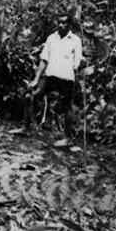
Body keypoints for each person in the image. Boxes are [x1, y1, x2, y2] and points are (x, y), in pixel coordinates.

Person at [24, 13, 83, 146]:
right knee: (32, 96)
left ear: (69, 25)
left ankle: (67, 138)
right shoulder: (51, 38)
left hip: (66, 78)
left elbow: (77, 62)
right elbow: (44, 59)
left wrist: (76, 75)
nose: (61, 25)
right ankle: (26, 128)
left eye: (64, 23)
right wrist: (36, 79)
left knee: (67, 106)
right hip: (50, 76)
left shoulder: (75, 40)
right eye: (59, 23)